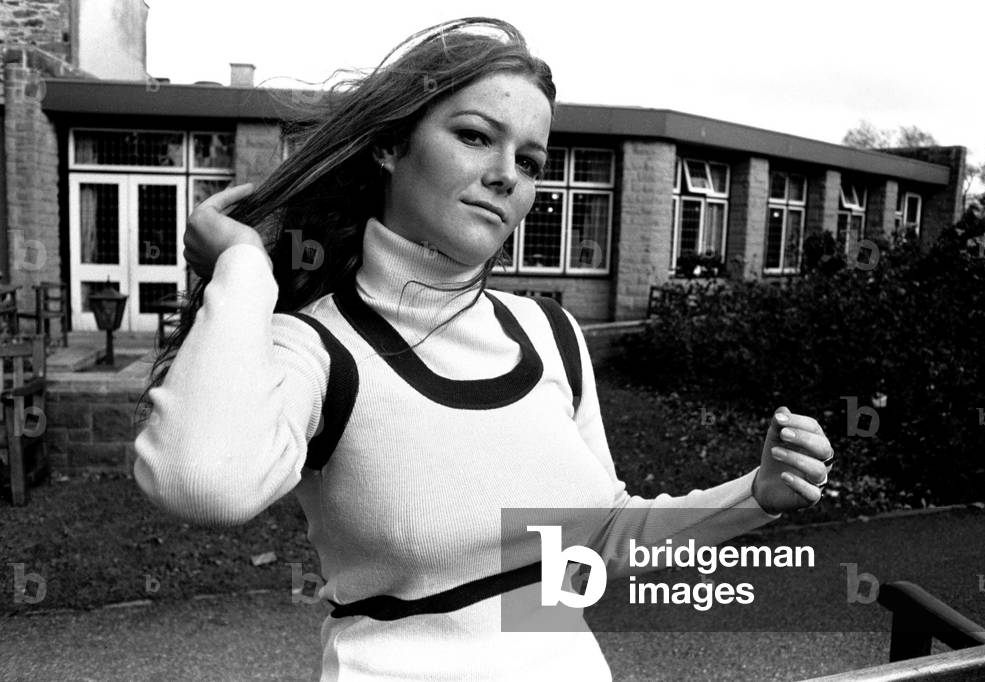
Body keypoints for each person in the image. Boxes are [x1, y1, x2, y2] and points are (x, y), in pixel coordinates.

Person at [133, 17, 835, 681]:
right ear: (389, 145)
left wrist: (756, 494)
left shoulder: (549, 334)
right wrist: (245, 269)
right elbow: (203, 483)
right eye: (474, 136)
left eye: (528, 160)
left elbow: (594, 544)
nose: (506, 175)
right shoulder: (316, 345)